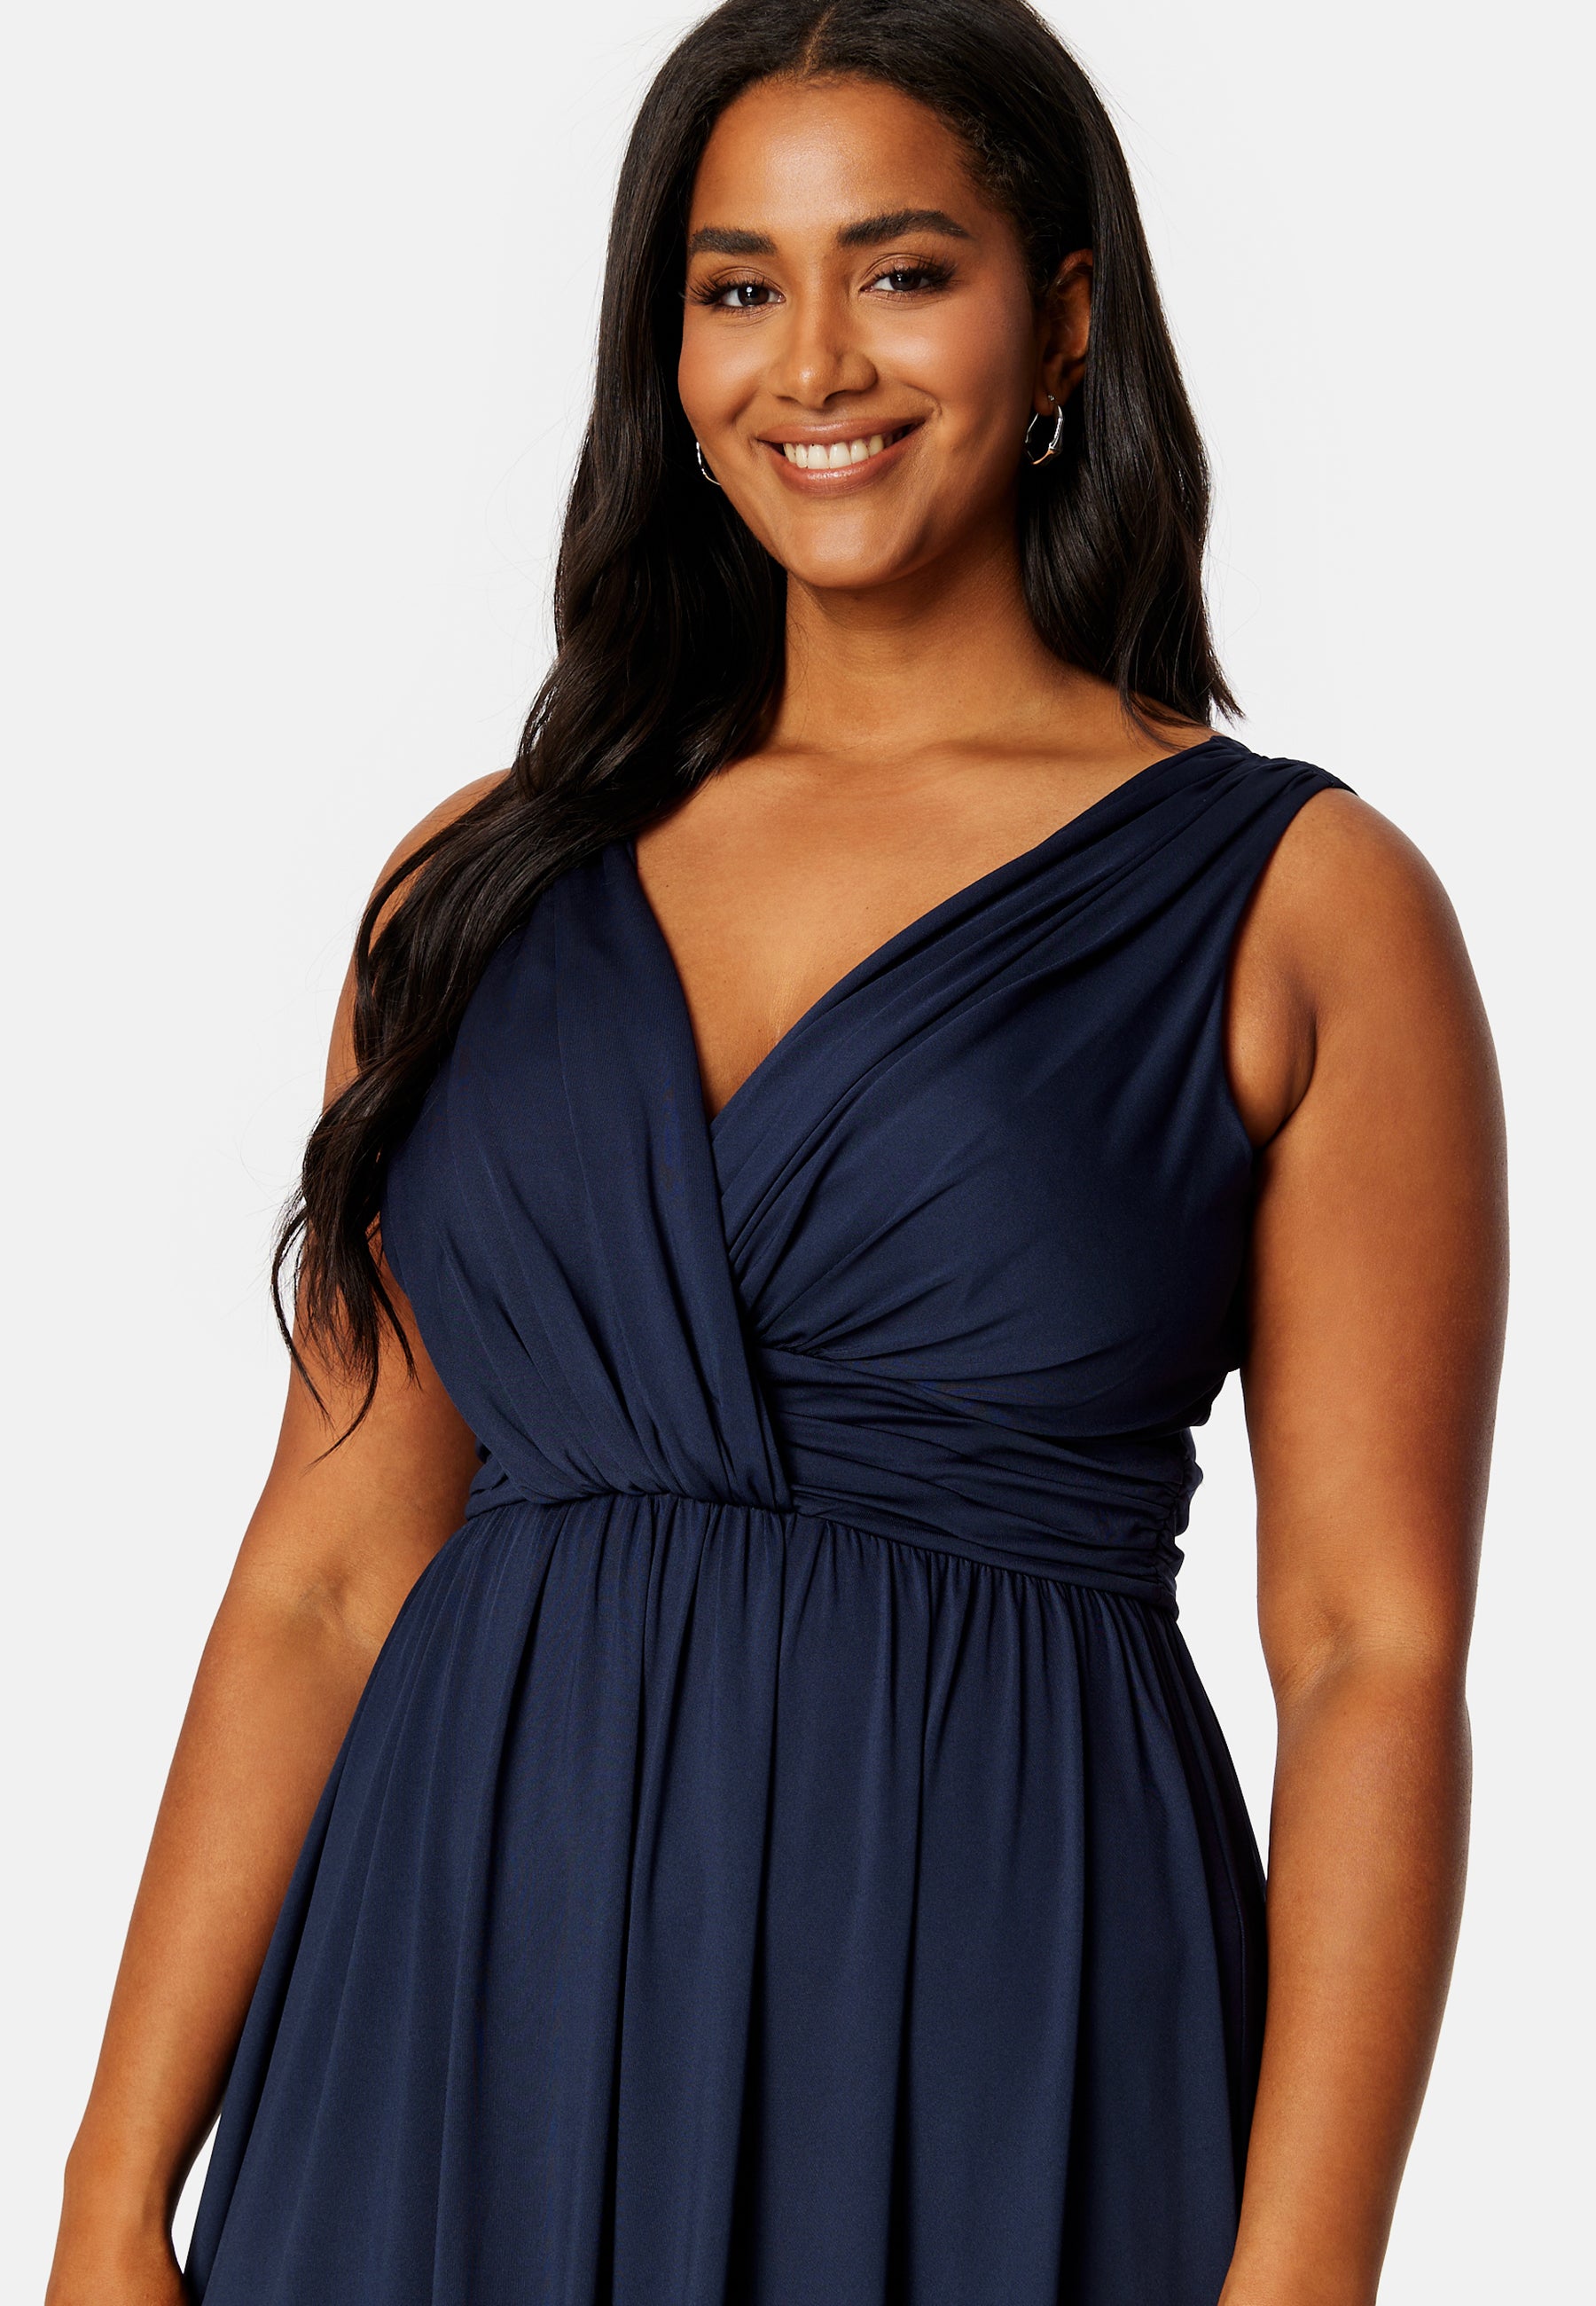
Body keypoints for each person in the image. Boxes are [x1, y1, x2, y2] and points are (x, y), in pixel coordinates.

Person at [46, 3, 1507, 2302]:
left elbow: (1368, 1653)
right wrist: (108, 2191)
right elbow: (325, 1571)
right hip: (455, 2023)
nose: (814, 363)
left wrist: (1305, 2279)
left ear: (1065, 323)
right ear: (671, 350)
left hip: (990, 2014)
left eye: (902, 271)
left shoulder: (1303, 907)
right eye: (739, 287)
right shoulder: (474, 891)